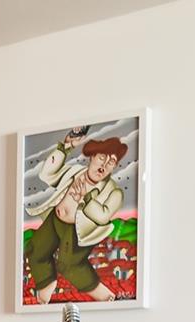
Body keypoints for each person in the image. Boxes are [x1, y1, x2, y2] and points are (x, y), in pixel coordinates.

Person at [24, 129, 128, 303]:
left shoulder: (114, 192)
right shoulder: (75, 172)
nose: (104, 165)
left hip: (77, 232)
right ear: (92, 157)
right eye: (102, 157)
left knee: (69, 265)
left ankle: (106, 296)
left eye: (111, 162)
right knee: (35, 250)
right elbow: (46, 174)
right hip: (55, 220)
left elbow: (103, 216)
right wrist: (65, 147)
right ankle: (46, 291)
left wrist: (85, 199)